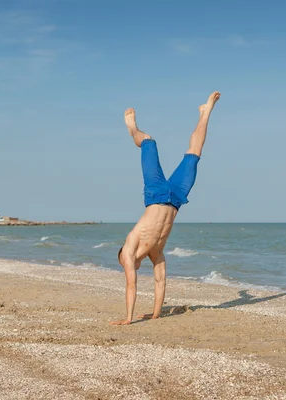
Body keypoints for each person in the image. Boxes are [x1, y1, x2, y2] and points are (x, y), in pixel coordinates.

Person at [110, 91, 221, 325]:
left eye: (125, 264)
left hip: (156, 193)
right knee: (194, 155)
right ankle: (206, 112)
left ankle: (132, 129)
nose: (129, 267)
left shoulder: (129, 249)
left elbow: (131, 283)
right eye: (127, 265)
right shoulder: (156, 252)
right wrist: (156, 314)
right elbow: (160, 281)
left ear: (123, 257)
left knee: (148, 142)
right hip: (176, 198)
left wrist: (128, 319)